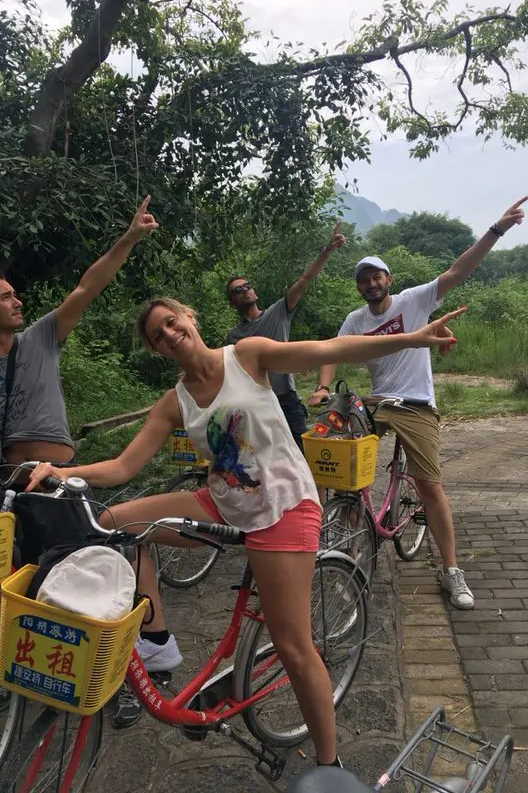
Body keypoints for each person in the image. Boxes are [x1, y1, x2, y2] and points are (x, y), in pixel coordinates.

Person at [26, 295, 464, 764]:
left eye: (173, 323)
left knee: (295, 647)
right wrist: (60, 471)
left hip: (284, 506)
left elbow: (331, 348)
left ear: (190, 318)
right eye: (158, 335)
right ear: (157, 351)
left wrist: (416, 337)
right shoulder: (172, 403)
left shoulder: (248, 355)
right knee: (114, 524)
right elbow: (123, 465)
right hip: (221, 501)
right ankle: (154, 642)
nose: (170, 334)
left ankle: (328, 764)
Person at [0, 195, 159, 723]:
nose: (18, 302)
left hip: (56, 480)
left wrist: (129, 236)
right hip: (3, 483)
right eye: (5, 297)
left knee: (88, 575)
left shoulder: (41, 339)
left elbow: (88, 285)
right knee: (17, 582)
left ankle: (121, 680)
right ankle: (18, 675)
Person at [308, 197, 527, 610]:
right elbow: (329, 352)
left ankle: (450, 570)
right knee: (340, 463)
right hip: (375, 402)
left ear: (388, 278)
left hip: (414, 404)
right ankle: (349, 541)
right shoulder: (356, 320)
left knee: (429, 485)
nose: (371, 284)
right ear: (358, 287)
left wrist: (497, 229)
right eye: (363, 280)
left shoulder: (414, 301)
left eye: (376, 277)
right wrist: (322, 388)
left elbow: (458, 271)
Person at [225, 223, 345, 450]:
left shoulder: (278, 312)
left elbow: (304, 280)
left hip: (285, 400)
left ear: (255, 291)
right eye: (237, 290)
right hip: (256, 405)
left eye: (247, 286)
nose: (245, 290)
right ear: (232, 303)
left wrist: (327, 251)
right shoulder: (234, 337)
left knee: (302, 457)